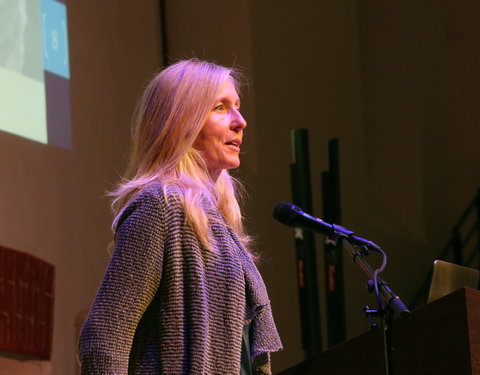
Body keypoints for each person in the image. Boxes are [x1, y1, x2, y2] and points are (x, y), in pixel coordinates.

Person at [78, 59, 282, 375]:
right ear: (181, 122)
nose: (240, 121)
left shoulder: (220, 223)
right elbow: (104, 337)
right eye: (220, 107)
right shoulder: (159, 205)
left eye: (238, 108)